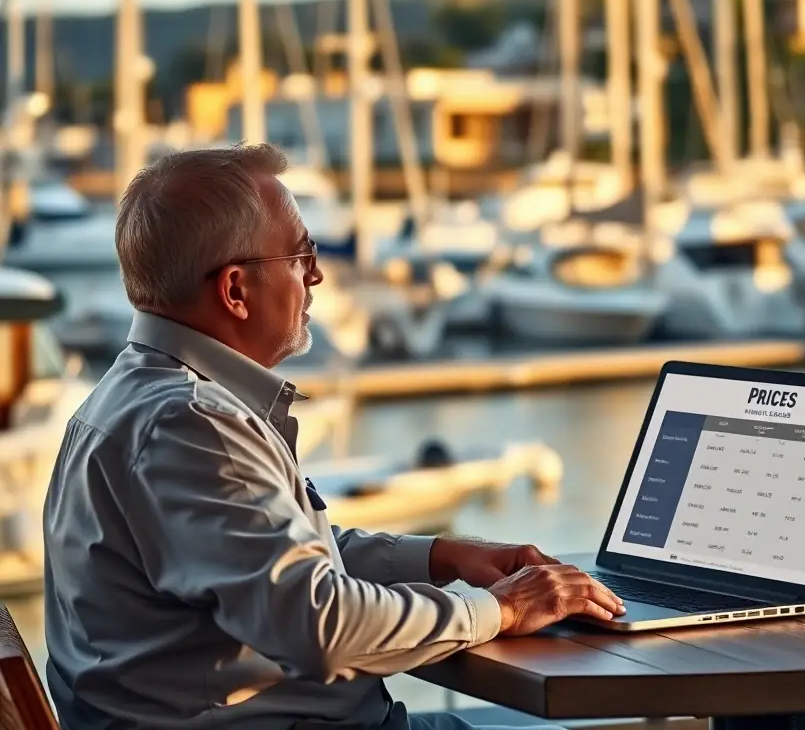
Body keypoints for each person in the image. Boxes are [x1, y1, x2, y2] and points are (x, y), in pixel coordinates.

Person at [42, 143, 626, 730]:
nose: (316, 274)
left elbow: (269, 559)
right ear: (236, 290)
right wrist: (502, 608)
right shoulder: (191, 425)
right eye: (300, 255)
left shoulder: (130, 395)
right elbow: (319, 623)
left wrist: (440, 557)